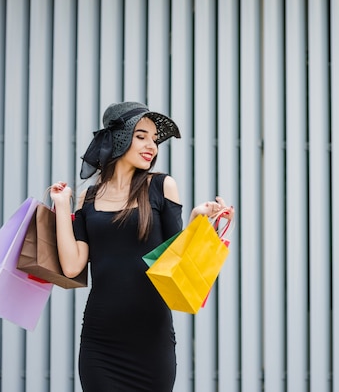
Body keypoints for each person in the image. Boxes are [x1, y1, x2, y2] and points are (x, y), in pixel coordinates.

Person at [49, 101, 231, 391]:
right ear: (118, 138)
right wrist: (61, 206)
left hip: (152, 340)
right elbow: (72, 266)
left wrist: (198, 219)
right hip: (101, 342)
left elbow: (176, 257)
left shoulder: (161, 186)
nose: (152, 146)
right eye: (141, 136)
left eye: (155, 139)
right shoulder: (88, 197)